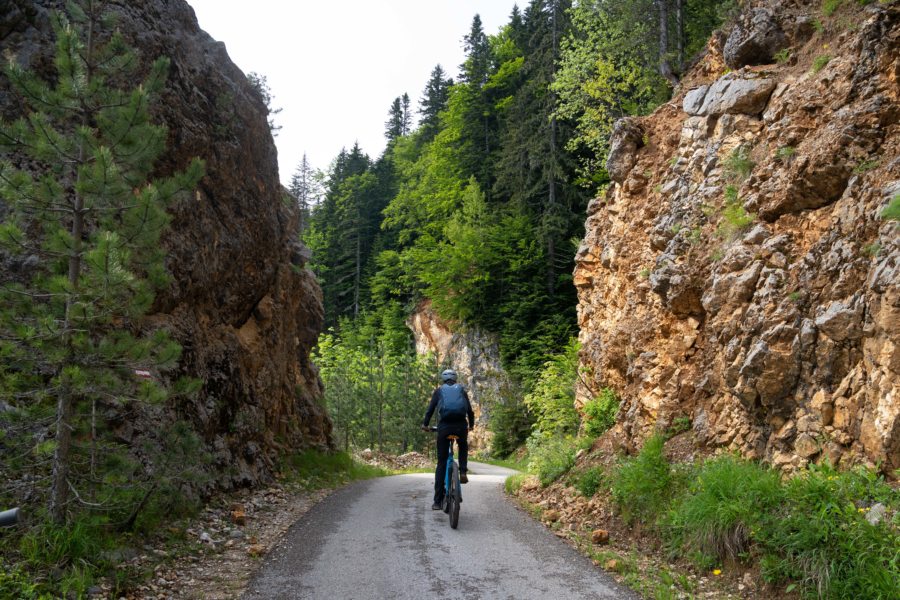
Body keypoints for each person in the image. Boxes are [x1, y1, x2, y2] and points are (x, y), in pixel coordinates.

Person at [422, 368, 475, 510]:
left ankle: (437, 502)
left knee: (442, 463)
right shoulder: (461, 390)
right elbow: (469, 411)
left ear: (443, 379)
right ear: (455, 379)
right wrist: (471, 426)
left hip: (444, 428)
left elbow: (430, 410)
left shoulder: (439, 391)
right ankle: (463, 470)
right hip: (460, 427)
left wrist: (425, 425)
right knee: (463, 445)